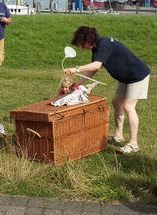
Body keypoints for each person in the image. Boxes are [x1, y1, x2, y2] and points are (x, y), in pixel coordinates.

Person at [63, 26, 150, 154]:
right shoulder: (96, 47)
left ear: (88, 39)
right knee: (116, 102)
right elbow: (93, 69)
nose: (82, 47)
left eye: (82, 44)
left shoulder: (104, 44)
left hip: (137, 76)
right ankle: (118, 135)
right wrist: (78, 82)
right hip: (125, 77)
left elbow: (97, 65)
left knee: (128, 106)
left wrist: (76, 69)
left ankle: (133, 143)